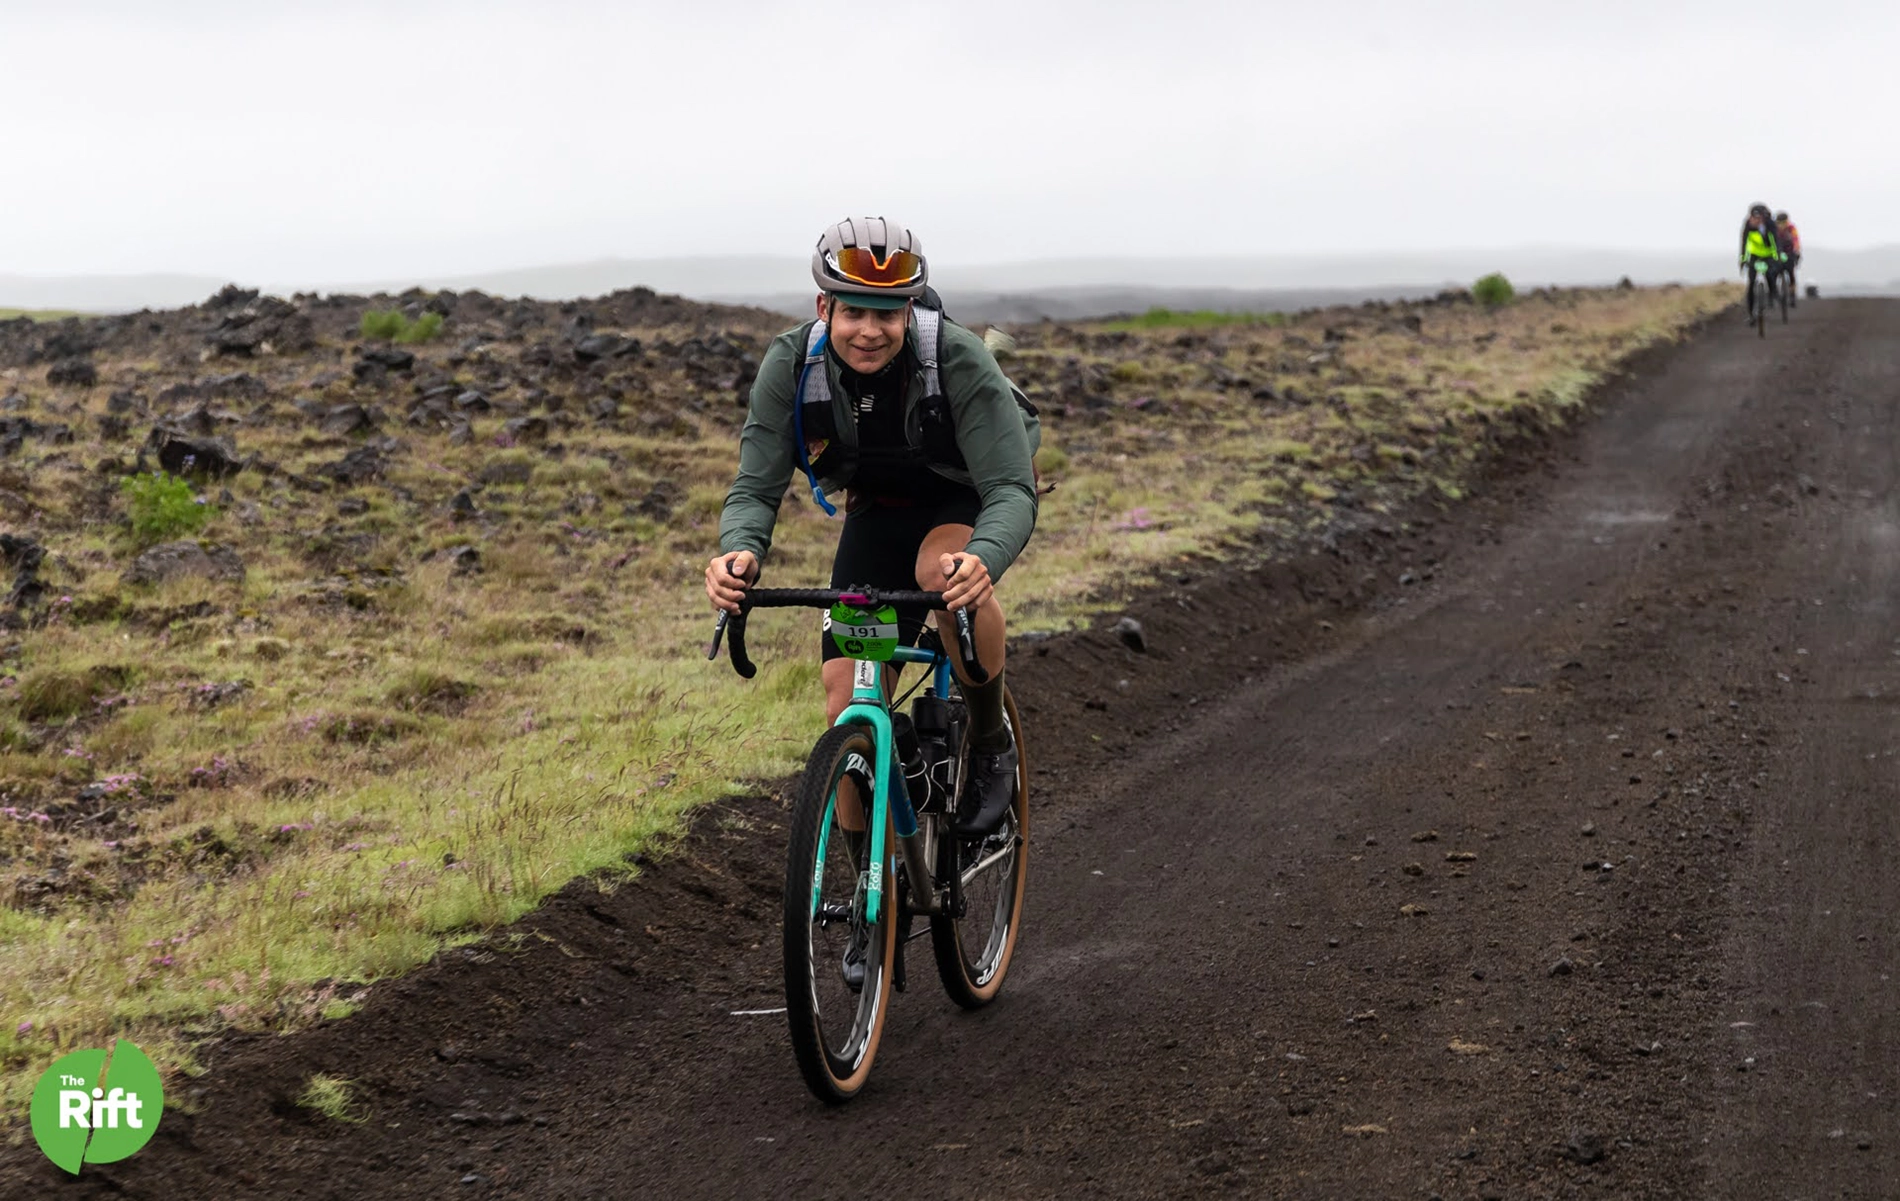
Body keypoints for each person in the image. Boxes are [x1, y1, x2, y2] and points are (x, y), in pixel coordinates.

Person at [706, 217, 1037, 844]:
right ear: (823, 306)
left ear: (909, 312)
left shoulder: (957, 358)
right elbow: (754, 487)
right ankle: (868, 906)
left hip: (961, 494)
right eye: (854, 312)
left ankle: (992, 744)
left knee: (940, 575)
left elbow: (1010, 490)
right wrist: (739, 552)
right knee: (845, 708)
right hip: (877, 510)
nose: (869, 331)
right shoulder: (790, 363)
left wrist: (984, 559)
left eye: (887, 314)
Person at [1738, 203, 1785, 320]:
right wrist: (1743, 260)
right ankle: (1751, 314)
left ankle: (1773, 293)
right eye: (1754, 218)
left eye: (1758, 218)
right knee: (1751, 283)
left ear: (1764, 218)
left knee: (1770, 273)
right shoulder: (1748, 225)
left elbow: (1776, 242)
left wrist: (1777, 256)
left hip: (1769, 254)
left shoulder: (1770, 225)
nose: (1755, 220)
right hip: (1754, 255)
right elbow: (1744, 243)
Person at [1775, 211, 1802, 307]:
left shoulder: (1791, 228)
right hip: (1777, 252)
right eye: (1780, 223)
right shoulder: (1773, 229)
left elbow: (1796, 240)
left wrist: (1797, 251)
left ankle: (1792, 295)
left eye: (1784, 222)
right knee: (1774, 273)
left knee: (1791, 274)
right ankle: (1775, 294)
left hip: (1789, 251)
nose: (1782, 225)